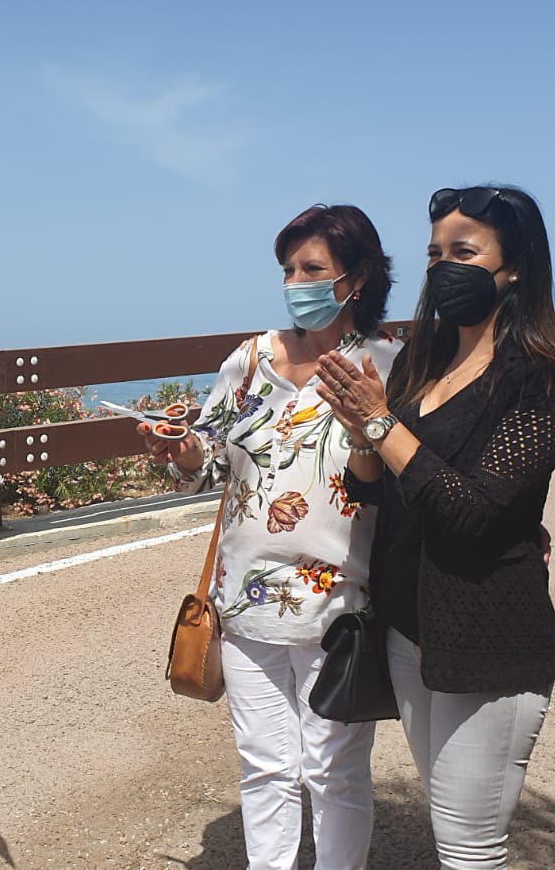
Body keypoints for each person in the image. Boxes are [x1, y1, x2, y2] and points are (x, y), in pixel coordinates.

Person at [316, 185, 555, 869]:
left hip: (488, 635)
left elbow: (471, 513)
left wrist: (381, 422)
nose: (443, 268)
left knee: (470, 845)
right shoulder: (420, 360)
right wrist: (361, 431)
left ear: (516, 266)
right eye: (435, 254)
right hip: (410, 630)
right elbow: (369, 486)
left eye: (463, 252)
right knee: (449, 824)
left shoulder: (544, 379)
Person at [141, 204, 400, 870]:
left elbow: (407, 472)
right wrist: (179, 452)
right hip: (247, 601)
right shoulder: (251, 359)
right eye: (288, 269)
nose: (295, 283)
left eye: (311, 268)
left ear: (358, 277)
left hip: (340, 604)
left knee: (334, 772)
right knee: (264, 768)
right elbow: (211, 457)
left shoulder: (387, 367)